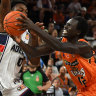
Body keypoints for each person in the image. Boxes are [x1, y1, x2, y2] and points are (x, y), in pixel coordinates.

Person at [15, 16, 96, 96]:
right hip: (82, 90)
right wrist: (31, 37)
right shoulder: (61, 41)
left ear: (78, 32)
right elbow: (33, 53)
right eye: (66, 24)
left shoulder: (84, 46)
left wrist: (35, 28)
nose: (65, 26)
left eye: (69, 25)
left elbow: (59, 46)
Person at [0, 0, 46, 96]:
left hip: (13, 84)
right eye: (20, 10)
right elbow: (4, 5)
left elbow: (34, 62)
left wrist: (34, 37)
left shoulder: (28, 36)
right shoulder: (4, 26)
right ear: (10, 13)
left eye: (26, 12)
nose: (24, 14)